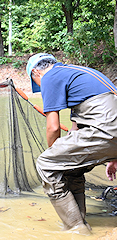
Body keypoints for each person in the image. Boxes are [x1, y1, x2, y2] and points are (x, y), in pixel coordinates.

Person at [26, 53, 117, 235]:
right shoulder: (78, 73)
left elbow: (53, 127)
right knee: (72, 167)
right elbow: (76, 130)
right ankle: (80, 219)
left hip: (104, 130)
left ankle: (76, 228)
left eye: (36, 82)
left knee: (46, 164)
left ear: (36, 72)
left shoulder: (50, 77)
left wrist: (53, 157)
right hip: (110, 132)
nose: (40, 86)